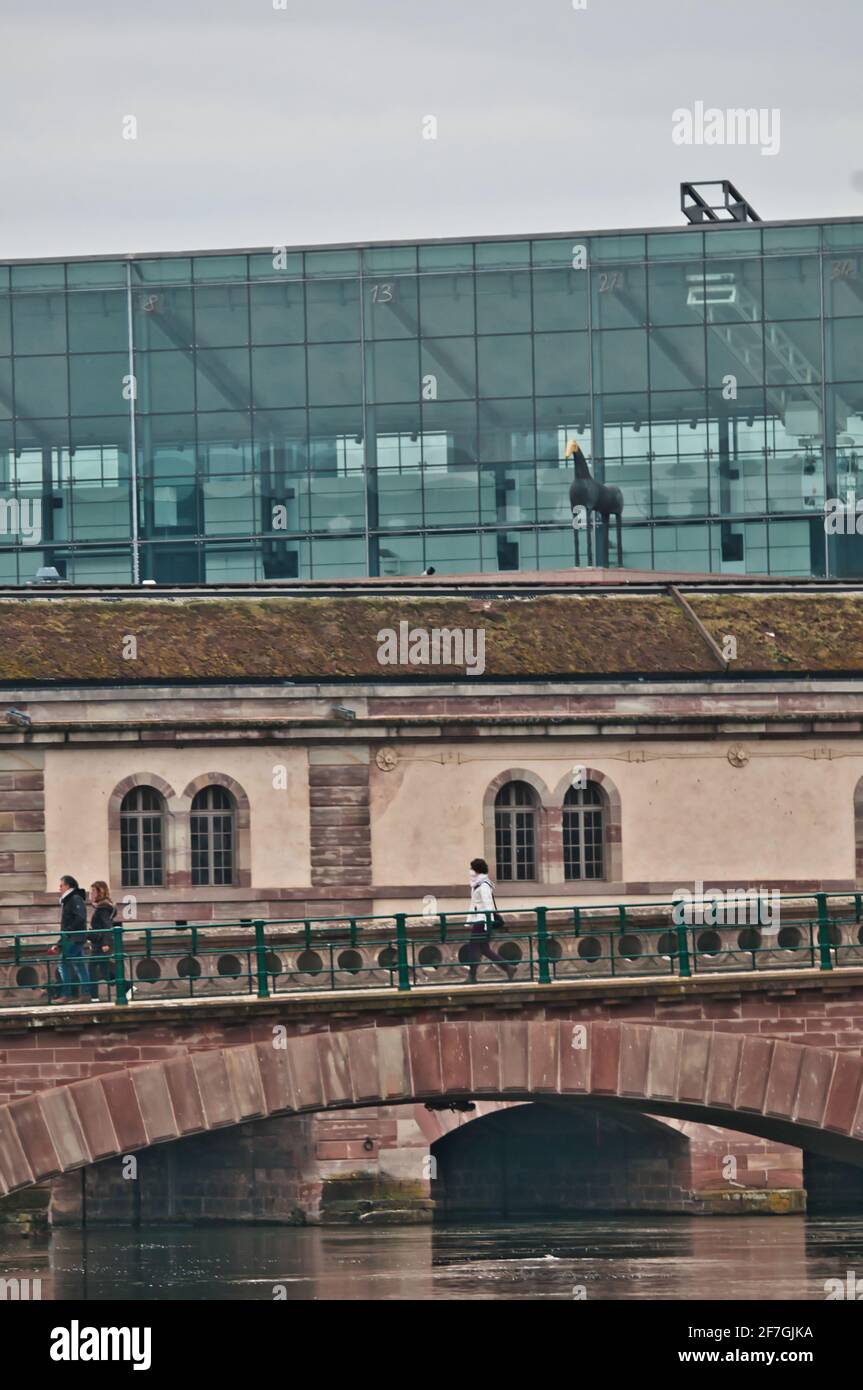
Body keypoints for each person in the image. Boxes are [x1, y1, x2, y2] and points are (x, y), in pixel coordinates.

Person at [465, 858, 515, 984]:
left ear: (477, 870)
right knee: (483, 948)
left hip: (482, 921)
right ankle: (508, 967)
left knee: (473, 947)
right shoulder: (478, 884)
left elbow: (488, 906)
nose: (470, 871)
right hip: (480, 920)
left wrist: (487, 923)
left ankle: (472, 976)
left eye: (472, 868)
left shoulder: (483, 886)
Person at [54, 875, 91, 1002]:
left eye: (61, 885)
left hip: (74, 938)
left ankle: (67, 994)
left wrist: (67, 933)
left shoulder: (74, 899)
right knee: (80, 966)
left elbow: (79, 918)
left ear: (68, 886)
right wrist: (59, 942)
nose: (59, 888)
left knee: (63, 963)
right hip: (75, 937)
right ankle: (86, 994)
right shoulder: (72, 899)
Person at [87, 881, 116, 1001]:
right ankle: (128, 987)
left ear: (100, 892)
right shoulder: (101, 906)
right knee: (104, 971)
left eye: (93, 891)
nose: (91, 893)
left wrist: (106, 943)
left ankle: (94, 997)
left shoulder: (103, 908)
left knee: (92, 969)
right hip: (98, 942)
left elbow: (107, 925)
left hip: (100, 943)